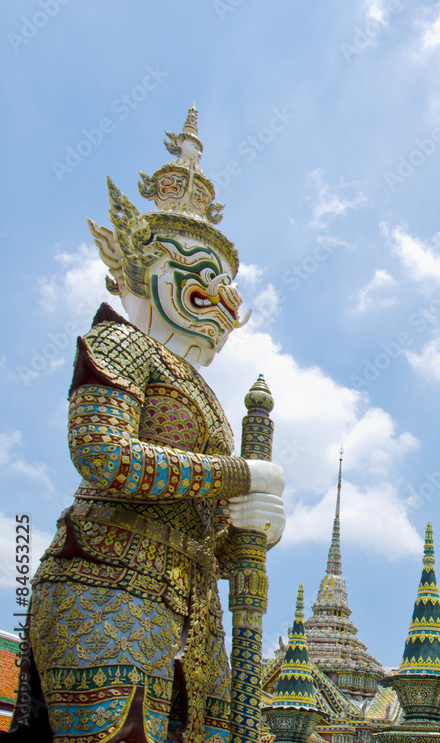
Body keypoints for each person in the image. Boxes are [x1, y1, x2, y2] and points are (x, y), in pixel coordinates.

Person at [4, 108, 285, 743]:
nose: (224, 299)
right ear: (143, 264)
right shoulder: (119, 343)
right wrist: (241, 473)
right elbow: (103, 456)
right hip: (103, 583)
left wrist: (247, 535)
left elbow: (202, 527)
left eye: (228, 284)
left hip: (193, 612)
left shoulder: (208, 398)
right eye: (201, 271)